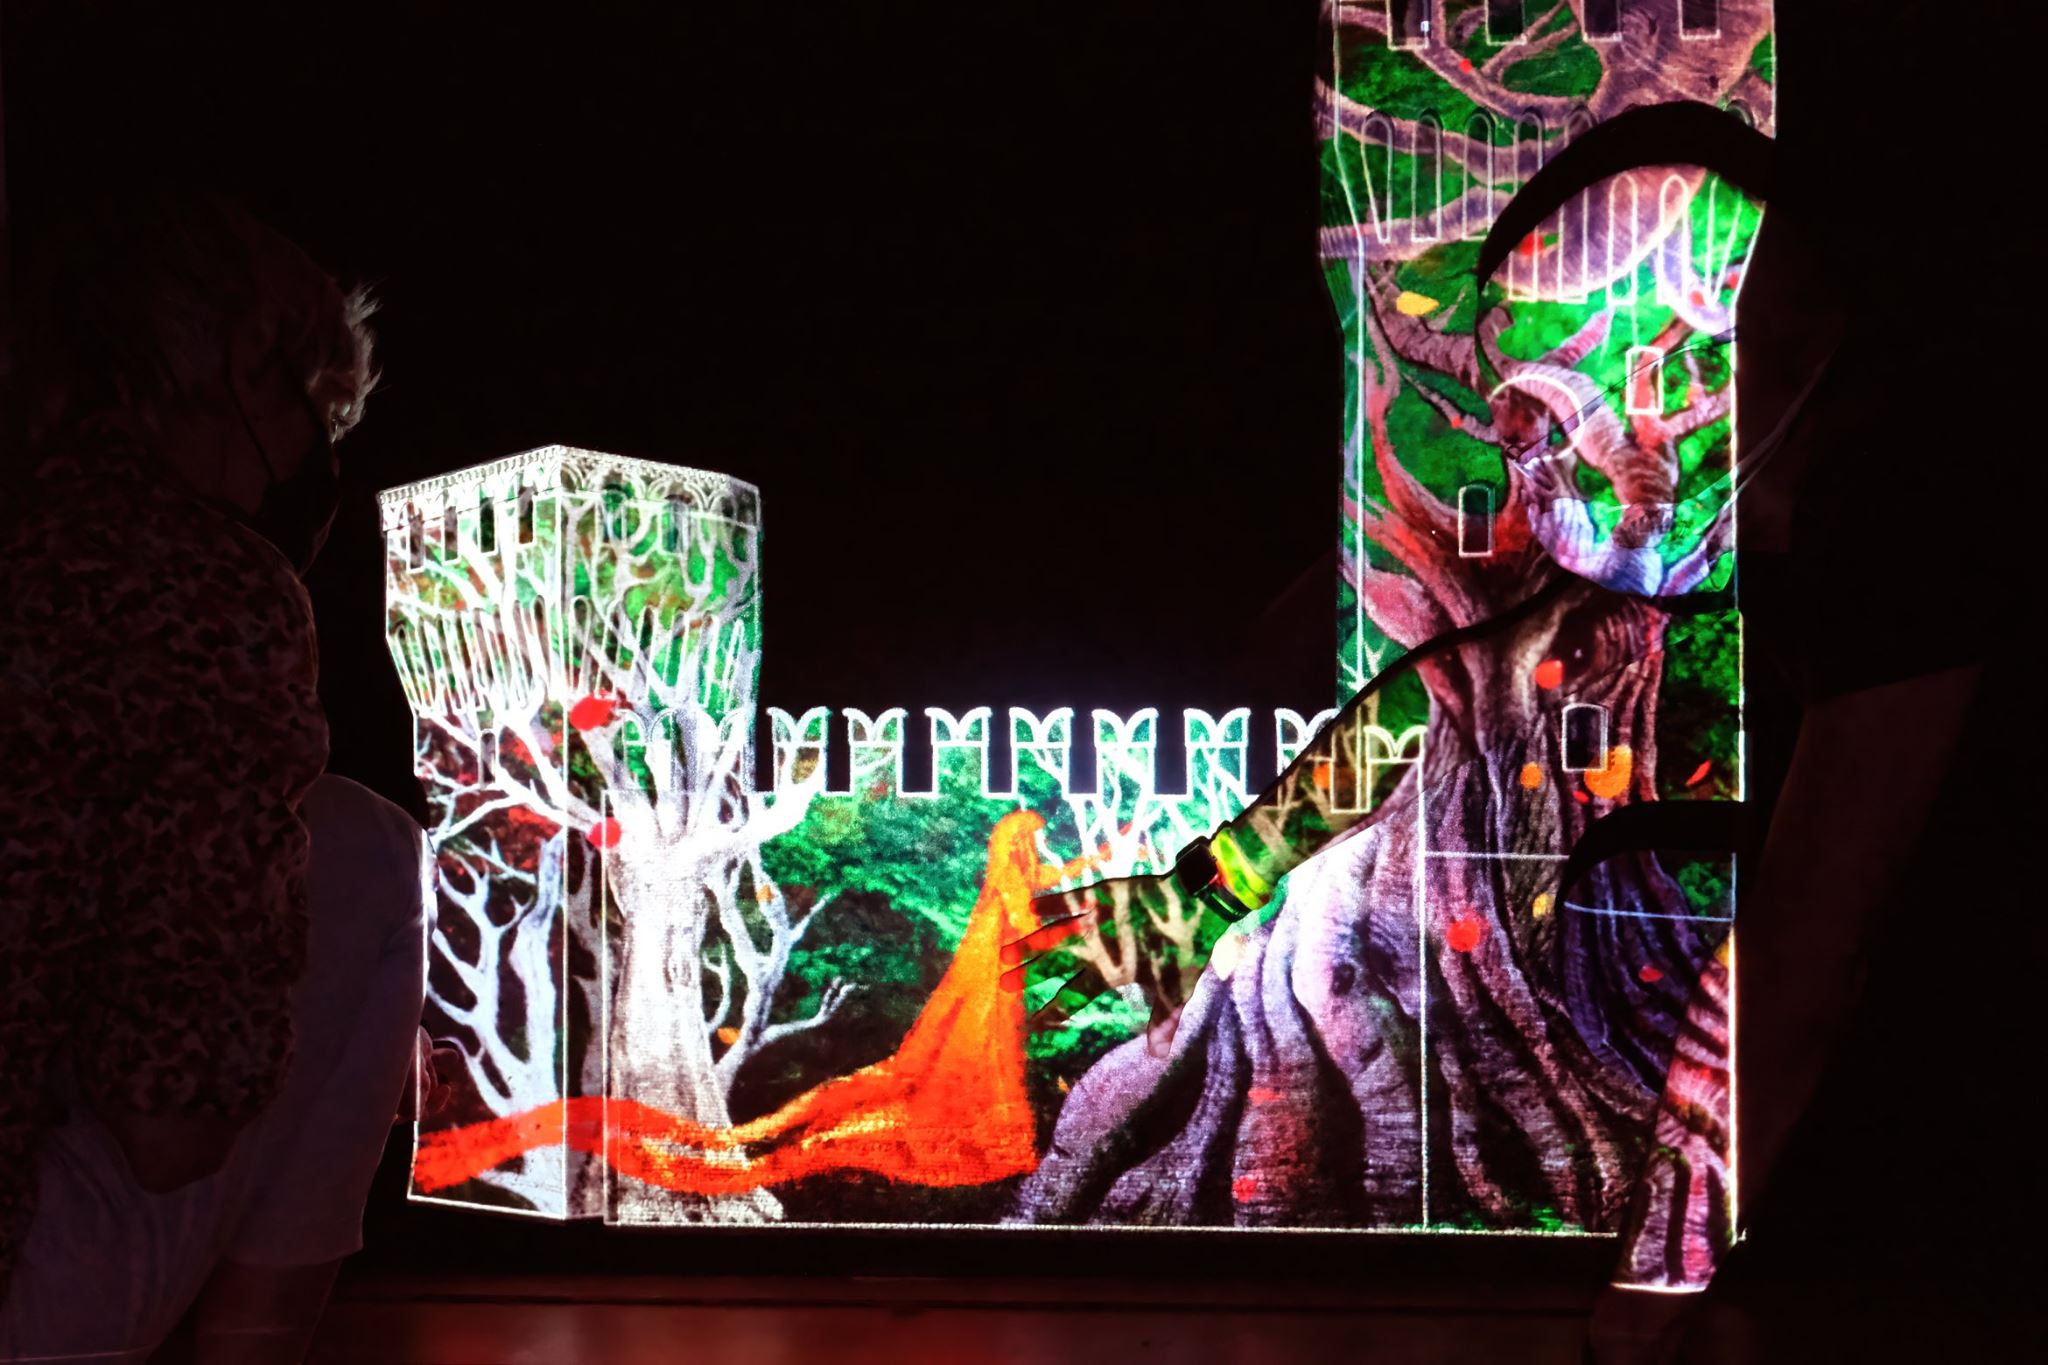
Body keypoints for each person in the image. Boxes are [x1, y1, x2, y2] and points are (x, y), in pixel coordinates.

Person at [0, 191, 448, 1361]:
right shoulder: (192, 586)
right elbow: (172, 1128)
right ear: (246, 373)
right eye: (316, 417)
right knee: (368, 852)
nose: (309, 466)